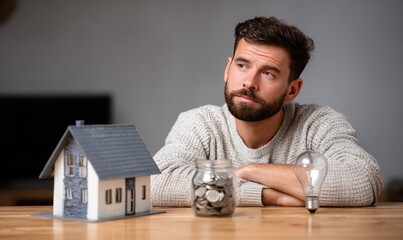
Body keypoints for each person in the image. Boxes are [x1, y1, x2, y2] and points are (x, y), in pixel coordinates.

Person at [151, 16, 383, 207]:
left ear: (292, 90)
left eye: (268, 73)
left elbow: (361, 181)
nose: (249, 82)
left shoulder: (319, 123)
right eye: (242, 66)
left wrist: (249, 170)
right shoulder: (199, 123)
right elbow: (154, 184)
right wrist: (265, 195)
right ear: (227, 69)